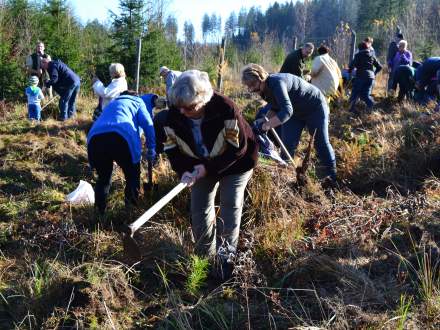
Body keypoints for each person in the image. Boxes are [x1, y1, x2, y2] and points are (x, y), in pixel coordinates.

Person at [156, 70, 258, 279]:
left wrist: (209, 169)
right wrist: (184, 171)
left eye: (190, 107)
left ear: (204, 98)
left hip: (237, 163)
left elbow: (237, 149)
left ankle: (225, 261)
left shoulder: (225, 108)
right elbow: (171, 149)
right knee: (199, 207)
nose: (183, 112)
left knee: (230, 204)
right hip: (199, 164)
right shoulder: (172, 115)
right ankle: (204, 259)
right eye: (180, 107)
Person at [241, 63, 336, 183]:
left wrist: (266, 126)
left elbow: (286, 110)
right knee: (287, 145)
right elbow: (276, 107)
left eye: (253, 85)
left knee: (320, 142)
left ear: (260, 78)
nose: (252, 89)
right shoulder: (264, 89)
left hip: (314, 107)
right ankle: (286, 178)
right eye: (249, 87)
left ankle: (332, 177)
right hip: (295, 112)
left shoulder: (277, 83)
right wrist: (263, 120)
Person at [87, 91, 156, 215]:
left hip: (95, 138)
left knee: (103, 178)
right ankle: (130, 212)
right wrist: (151, 147)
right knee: (132, 176)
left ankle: (99, 214)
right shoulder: (137, 101)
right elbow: (148, 123)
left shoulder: (112, 103)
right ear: (135, 96)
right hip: (121, 136)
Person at [348, 42, 382, 113]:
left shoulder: (358, 55)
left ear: (360, 48)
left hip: (361, 76)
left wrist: (350, 70)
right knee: (365, 95)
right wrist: (374, 73)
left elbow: (351, 65)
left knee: (355, 93)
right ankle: (373, 107)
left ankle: (351, 110)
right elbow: (379, 67)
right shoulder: (372, 55)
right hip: (371, 78)